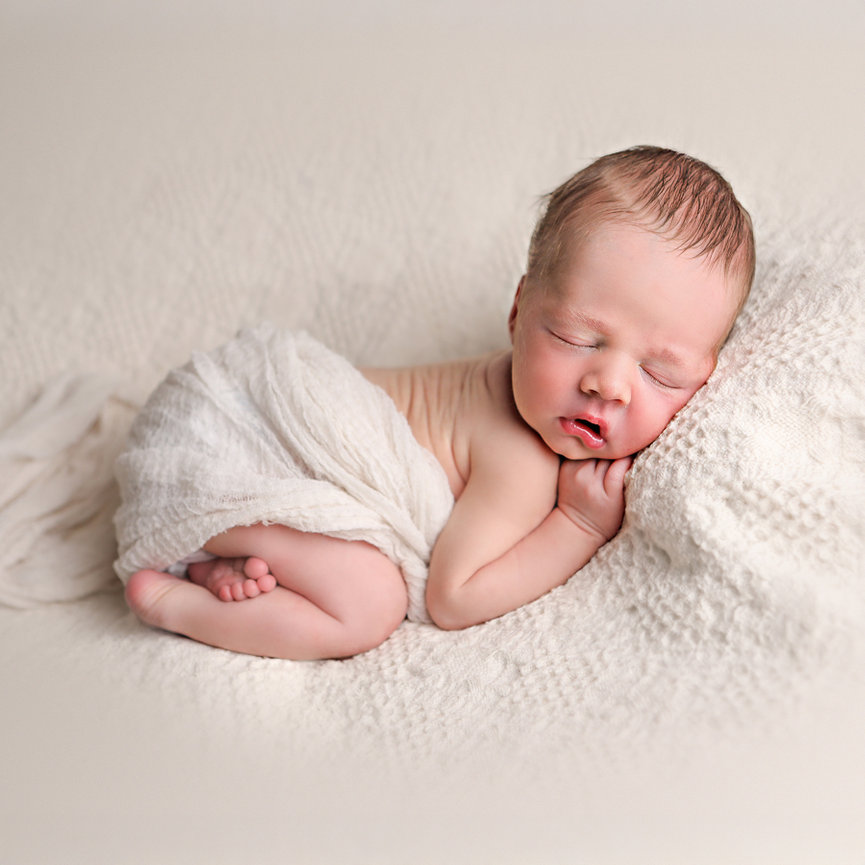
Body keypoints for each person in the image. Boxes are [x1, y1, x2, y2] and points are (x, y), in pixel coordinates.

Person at [121, 145, 755, 660]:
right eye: (574, 338)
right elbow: (453, 597)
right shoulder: (522, 458)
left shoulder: (521, 399)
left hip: (220, 417)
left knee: (348, 570)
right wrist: (579, 526)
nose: (608, 384)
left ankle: (219, 564)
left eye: (660, 374)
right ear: (518, 313)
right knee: (371, 603)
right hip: (233, 442)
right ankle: (170, 600)